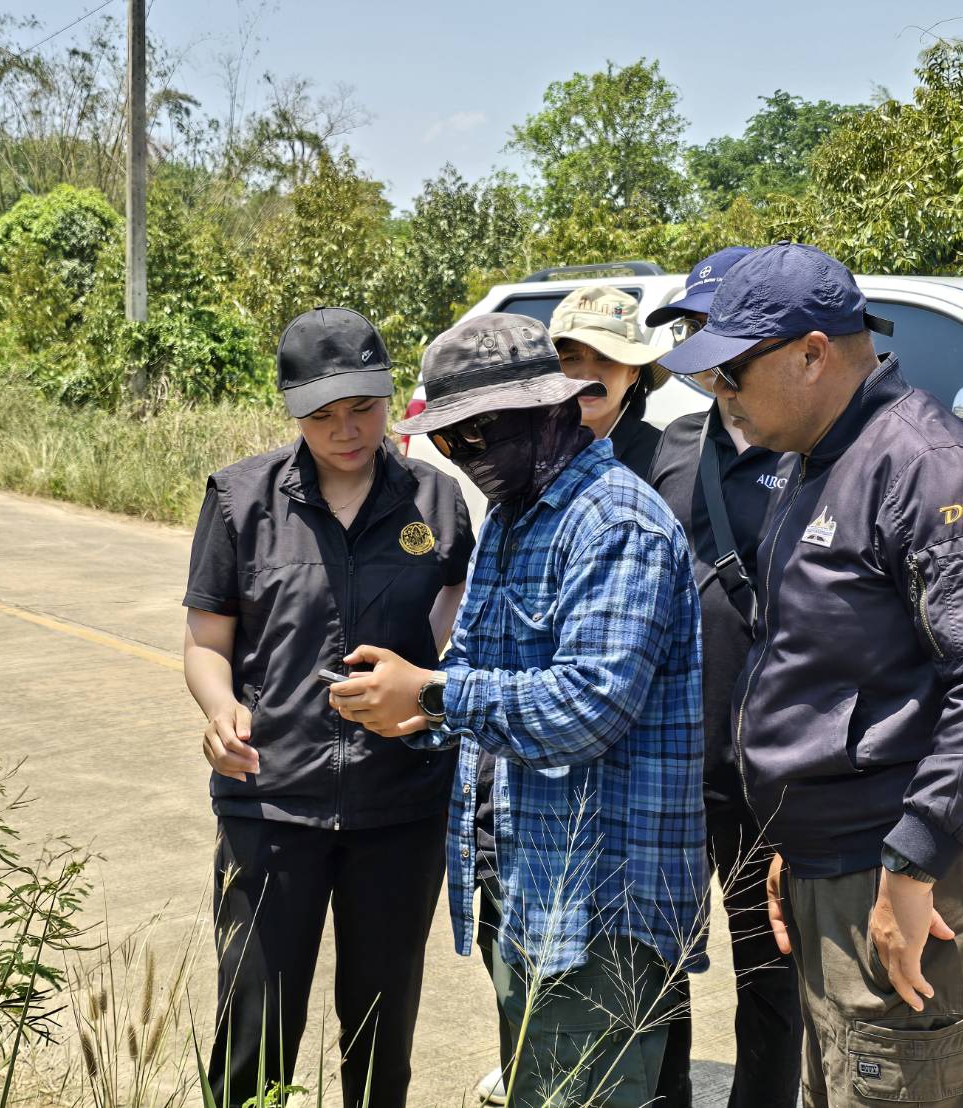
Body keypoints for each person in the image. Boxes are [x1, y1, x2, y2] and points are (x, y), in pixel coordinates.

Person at [662, 243, 963, 1108]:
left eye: (729, 371)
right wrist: (788, 833)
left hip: (910, 868)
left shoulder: (927, 467)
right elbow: (815, 667)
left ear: (810, 353)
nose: (716, 393)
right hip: (827, 858)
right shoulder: (815, 457)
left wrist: (911, 864)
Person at [327, 313, 711, 1108]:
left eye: (487, 433)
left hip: (600, 900)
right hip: (525, 887)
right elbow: (480, 676)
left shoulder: (613, 523)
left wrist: (434, 692)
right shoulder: (512, 517)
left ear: (556, 411)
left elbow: (590, 706)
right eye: (452, 439)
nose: (469, 455)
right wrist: (420, 715)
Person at [182, 306, 474, 1108]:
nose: (346, 430)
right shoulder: (242, 499)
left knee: (382, 1034)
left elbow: (459, 630)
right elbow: (208, 640)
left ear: (389, 399)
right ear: (290, 410)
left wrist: (428, 689)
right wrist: (218, 711)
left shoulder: (436, 500)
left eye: (364, 408)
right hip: (270, 801)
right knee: (254, 1031)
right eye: (322, 414)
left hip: (401, 804)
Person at [643, 246, 804, 1108]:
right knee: (657, 966)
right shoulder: (672, 446)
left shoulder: (813, 455)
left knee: (770, 979)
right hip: (673, 768)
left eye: (715, 331)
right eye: (690, 330)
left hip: (765, 780)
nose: (704, 351)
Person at [549, 284, 671, 476]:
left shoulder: (664, 458)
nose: (587, 377)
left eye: (605, 358)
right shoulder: (527, 453)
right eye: (571, 359)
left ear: (633, 371)